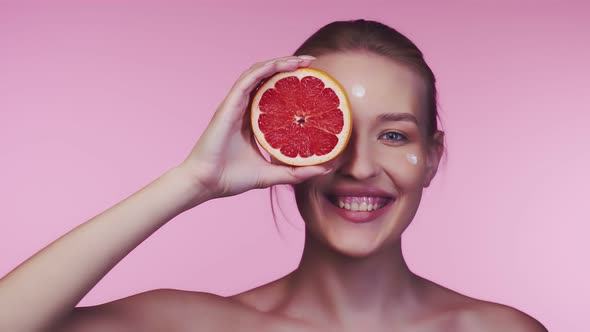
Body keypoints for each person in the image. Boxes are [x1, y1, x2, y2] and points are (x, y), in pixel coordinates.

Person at [0, 19, 547, 332]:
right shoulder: (200, 326)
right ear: (286, 149)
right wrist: (192, 181)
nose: (358, 167)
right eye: (337, 135)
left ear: (431, 157)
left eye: (395, 135)